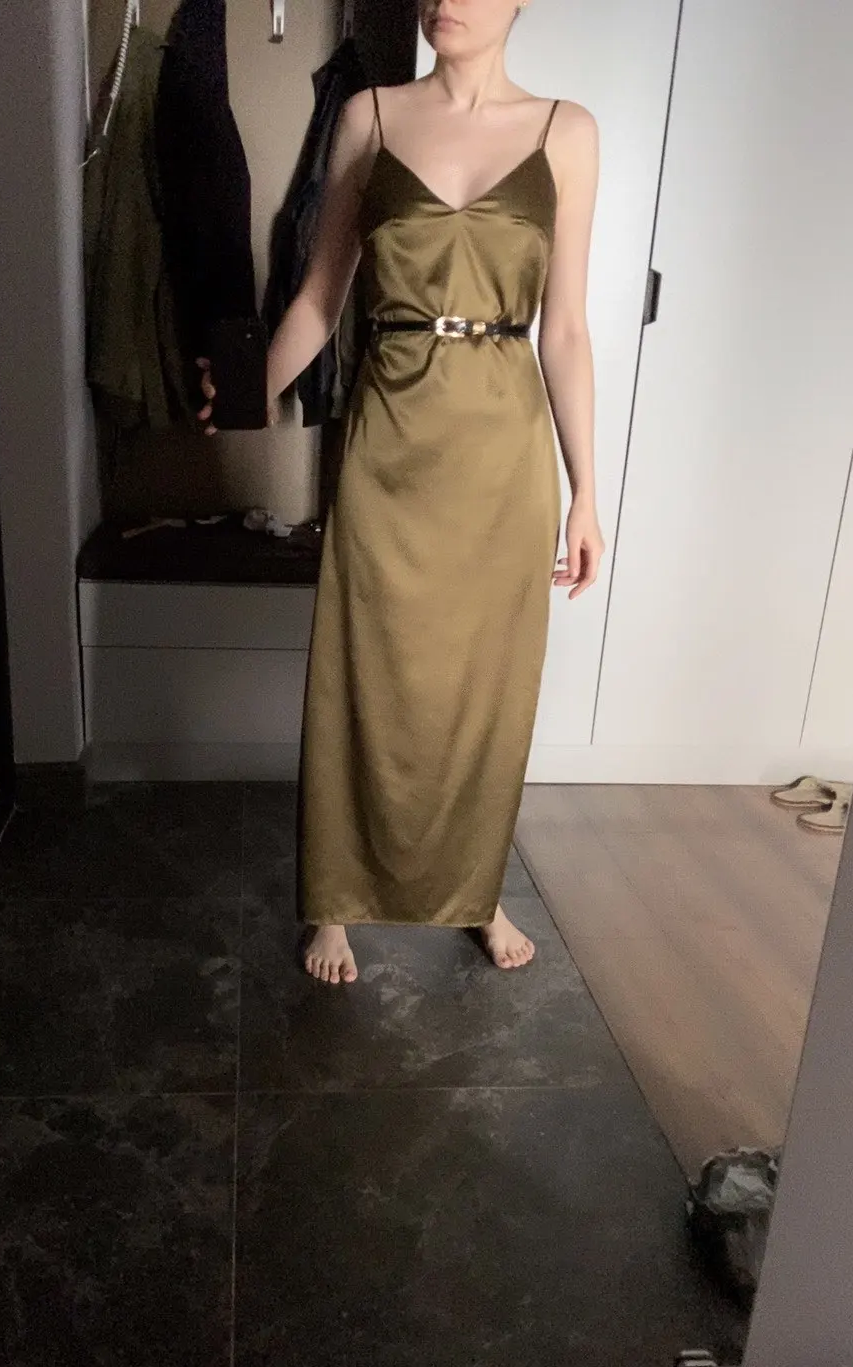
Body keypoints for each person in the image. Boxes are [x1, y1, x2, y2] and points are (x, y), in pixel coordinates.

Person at [197, 0, 605, 985]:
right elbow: (319, 296)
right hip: (389, 442)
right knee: (364, 673)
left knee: (486, 686)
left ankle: (474, 888)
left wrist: (587, 491)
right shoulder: (369, 116)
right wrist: (249, 391)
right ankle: (336, 899)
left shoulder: (568, 131)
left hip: (504, 458)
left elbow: (565, 328)